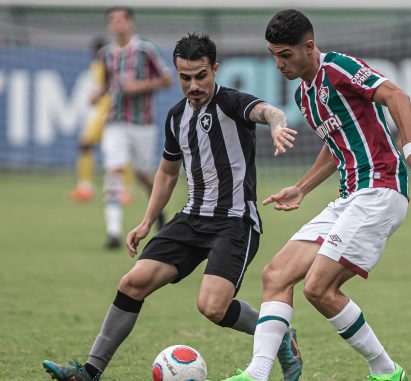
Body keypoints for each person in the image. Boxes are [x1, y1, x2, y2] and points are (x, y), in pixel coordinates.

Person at [42, 33, 302, 381]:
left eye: (200, 76)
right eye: (185, 77)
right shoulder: (176, 116)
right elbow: (166, 172)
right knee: (133, 282)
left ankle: (280, 335)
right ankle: (90, 371)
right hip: (191, 219)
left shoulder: (230, 103)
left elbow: (266, 110)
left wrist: (277, 123)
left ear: (215, 70)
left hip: (234, 222)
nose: (193, 85)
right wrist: (147, 220)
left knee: (212, 307)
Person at [219, 9, 411, 381]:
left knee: (319, 287)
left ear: (309, 46)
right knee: (276, 275)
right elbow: (334, 147)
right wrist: (301, 187)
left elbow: (397, 96)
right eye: (273, 54)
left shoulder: (337, 68)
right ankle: (257, 373)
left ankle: (385, 370)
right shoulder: (304, 94)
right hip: (349, 196)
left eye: (285, 54)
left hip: (380, 189)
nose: (278, 63)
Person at [96, 6, 174, 249]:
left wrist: (139, 86)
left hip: (142, 123)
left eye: (122, 20)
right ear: (109, 25)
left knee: (143, 174)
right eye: (113, 20)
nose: (118, 24)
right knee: (114, 169)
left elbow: (167, 79)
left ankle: (159, 208)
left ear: (131, 23)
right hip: (115, 122)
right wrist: (97, 95)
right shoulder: (106, 53)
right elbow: (109, 83)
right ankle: (113, 231)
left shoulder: (145, 49)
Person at [69, 37, 134, 205]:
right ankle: (86, 187)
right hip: (100, 111)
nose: (97, 55)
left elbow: (113, 85)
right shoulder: (96, 65)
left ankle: (124, 190)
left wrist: (99, 97)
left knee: (114, 149)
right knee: (87, 144)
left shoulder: (110, 64)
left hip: (110, 110)